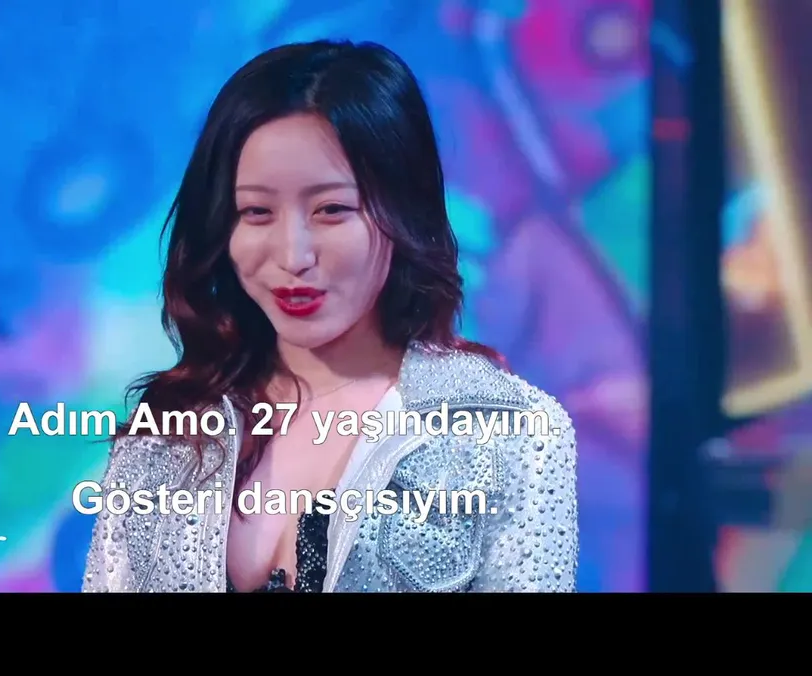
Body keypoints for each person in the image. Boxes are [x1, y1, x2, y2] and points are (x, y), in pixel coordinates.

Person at [81, 40, 578, 593]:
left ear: (403, 211)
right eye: (257, 212)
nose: (294, 256)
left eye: (332, 210)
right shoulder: (170, 430)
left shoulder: (509, 434)